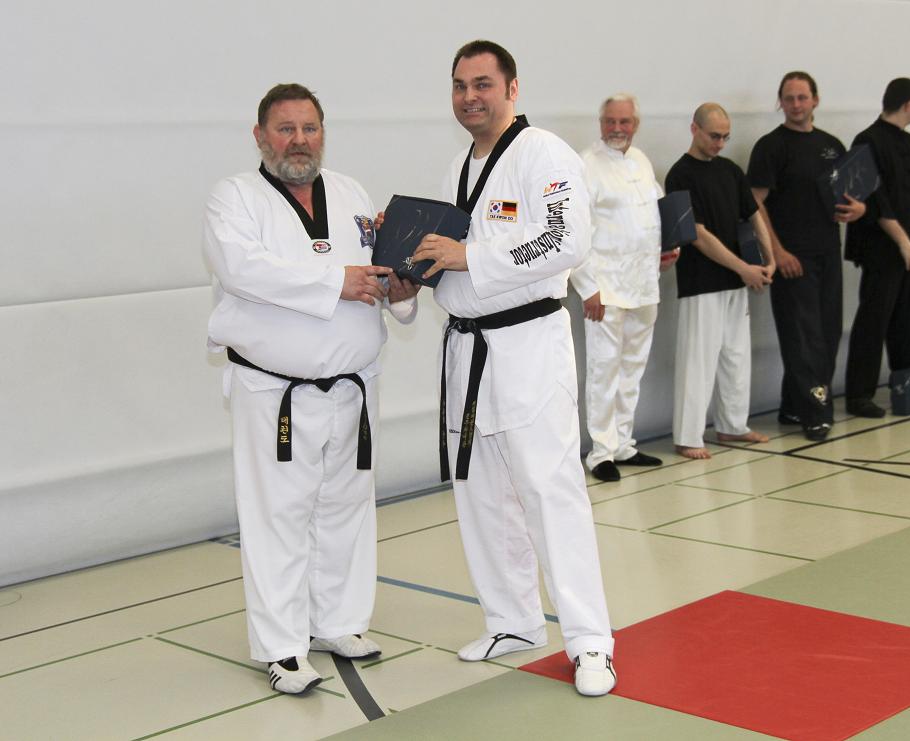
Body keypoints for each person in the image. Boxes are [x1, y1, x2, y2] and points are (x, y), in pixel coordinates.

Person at [410, 40, 616, 697]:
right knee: (482, 493)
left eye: (482, 84)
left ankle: (590, 640)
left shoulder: (543, 153)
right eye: (459, 85)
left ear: (512, 88)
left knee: (550, 493)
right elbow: (450, 257)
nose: (469, 96)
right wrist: (408, 259)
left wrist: (470, 256)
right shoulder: (459, 166)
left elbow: (563, 239)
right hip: (467, 349)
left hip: (528, 344)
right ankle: (513, 620)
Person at [202, 83, 419, 694]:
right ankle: (282, 646)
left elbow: (376, 274)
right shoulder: (234, 199)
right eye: (286, 128)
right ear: (260, 135)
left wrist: (401, 292)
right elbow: (243, 271)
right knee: (278, 515)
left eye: (310, 128)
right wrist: (334, 282)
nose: (299, 140)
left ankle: (338, 623)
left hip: (354, 386)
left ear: (324, 132)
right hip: (276, 393)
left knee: (346, 507)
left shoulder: (351, 194)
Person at [748, 71, 865, 441]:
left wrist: (859, 209)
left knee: (827, 332)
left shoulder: (831, 145)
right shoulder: (771, 147)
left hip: (828, 253)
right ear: (780, 102)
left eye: (802, 97)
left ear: (816, 100)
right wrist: (777, 252)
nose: (796, 104)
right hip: (792, 258)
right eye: (789, 98)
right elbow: (754, 203)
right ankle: (815, 413)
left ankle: (792, 405)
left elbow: (851, 194)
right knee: (804, 338)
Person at [570, 93, 676, 482]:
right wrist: (587, 287)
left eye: (624, 121)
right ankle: (601, 452)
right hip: (606, 289)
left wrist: (668, 249)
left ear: (636, 124)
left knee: (632, 368)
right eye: (610, 121)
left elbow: (656, 215)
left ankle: (624, 444)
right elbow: (575, 232)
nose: (617, 128)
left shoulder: (642, 162)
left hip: (644, 283)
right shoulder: (586, 164)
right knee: (604, 370)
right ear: (600, 124)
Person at [664, 103, 774, 459]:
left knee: (736, 356)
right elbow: (696, 234)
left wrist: (768, 258)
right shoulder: (679, 175)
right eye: (714, 136)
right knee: (698, 359)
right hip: (701, 282)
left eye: (726, 137)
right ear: (694, 129)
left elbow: (754, 215)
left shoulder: (730, 170)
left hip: (736, 280)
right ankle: (688, 436)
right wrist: (743, 267)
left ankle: (732, 425)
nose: (720, 143)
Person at [843, 78, 910, 418]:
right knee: (873, 321)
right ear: (909, 104)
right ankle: (859, 394)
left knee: (906, 321)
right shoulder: (866, 141)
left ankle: (906, 386)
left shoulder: (907, 140)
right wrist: (903, 242)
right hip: (882, 248)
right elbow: (876, 199)